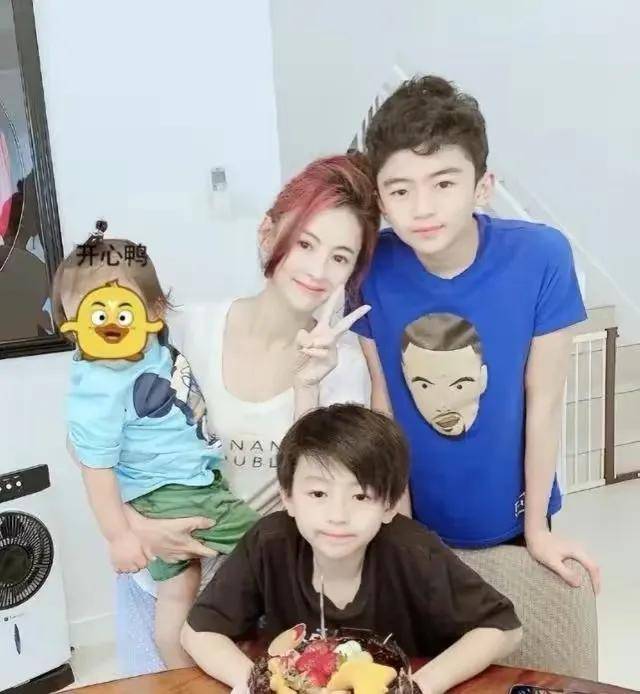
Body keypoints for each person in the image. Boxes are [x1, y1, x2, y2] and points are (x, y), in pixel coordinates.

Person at [113, 153, 381, 673]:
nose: (317, 270)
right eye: (305, 243)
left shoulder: (344, 367)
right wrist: (133, 527)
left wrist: (308, 387)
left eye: (340, 257)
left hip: (255, 596)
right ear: (267, 233)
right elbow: (98, 437)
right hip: (158, 577)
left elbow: (317, 497)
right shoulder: (186, 329)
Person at [352, 75, 600, 590]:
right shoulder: (370, 267)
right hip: (417, 514)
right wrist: (400, 527)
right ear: (381, 199)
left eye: (443, 183)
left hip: (514, 512)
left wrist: (537, 529)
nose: (422, 208)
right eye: (401, 190)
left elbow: (545, 400)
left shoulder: (541, 256)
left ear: (482, 186)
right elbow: (385, 403)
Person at [181, 404, 523, 694]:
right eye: (318, 494)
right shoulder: (269, 543)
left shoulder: (413, 551)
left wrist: (419, 686)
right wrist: (254, 685)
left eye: (361, 496)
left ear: (389, 504)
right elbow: (198, 632)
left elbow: (504, 629)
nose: (338, 515)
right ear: (288, 497)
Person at [52, 223, 260, 667]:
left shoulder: (151, 344)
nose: (108, 326)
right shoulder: (99, 387)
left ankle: (180, 669)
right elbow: (95, 469)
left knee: (179, 589)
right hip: (170, 492)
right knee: (270, 544)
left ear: (154, 310)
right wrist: (120, 536)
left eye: (120, 310)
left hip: (190, 479)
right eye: (89, 315)